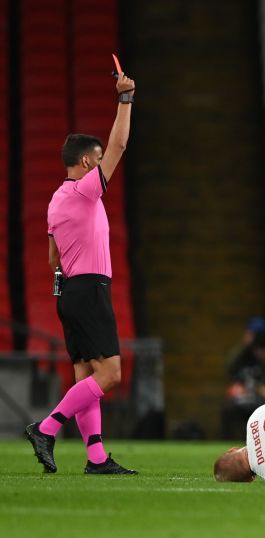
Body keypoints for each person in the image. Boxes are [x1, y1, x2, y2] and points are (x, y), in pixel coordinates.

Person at [25, 69, 137, 475]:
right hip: (89, 289)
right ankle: (46, 427)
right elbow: (121, 144)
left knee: (85, 378)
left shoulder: (56, 201)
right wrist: (125, 99)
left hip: (69, 291)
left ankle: (96, 458)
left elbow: (52, 258)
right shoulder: (85, 190)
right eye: (97, 158)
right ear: (88, 161)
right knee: (110, 375)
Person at [220, 317, 265, 439]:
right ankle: (228, 442)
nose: (258, 339)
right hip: (244, 395)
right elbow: (229, 367)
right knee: (228, 408)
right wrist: (246, 345)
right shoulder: (243, 354)